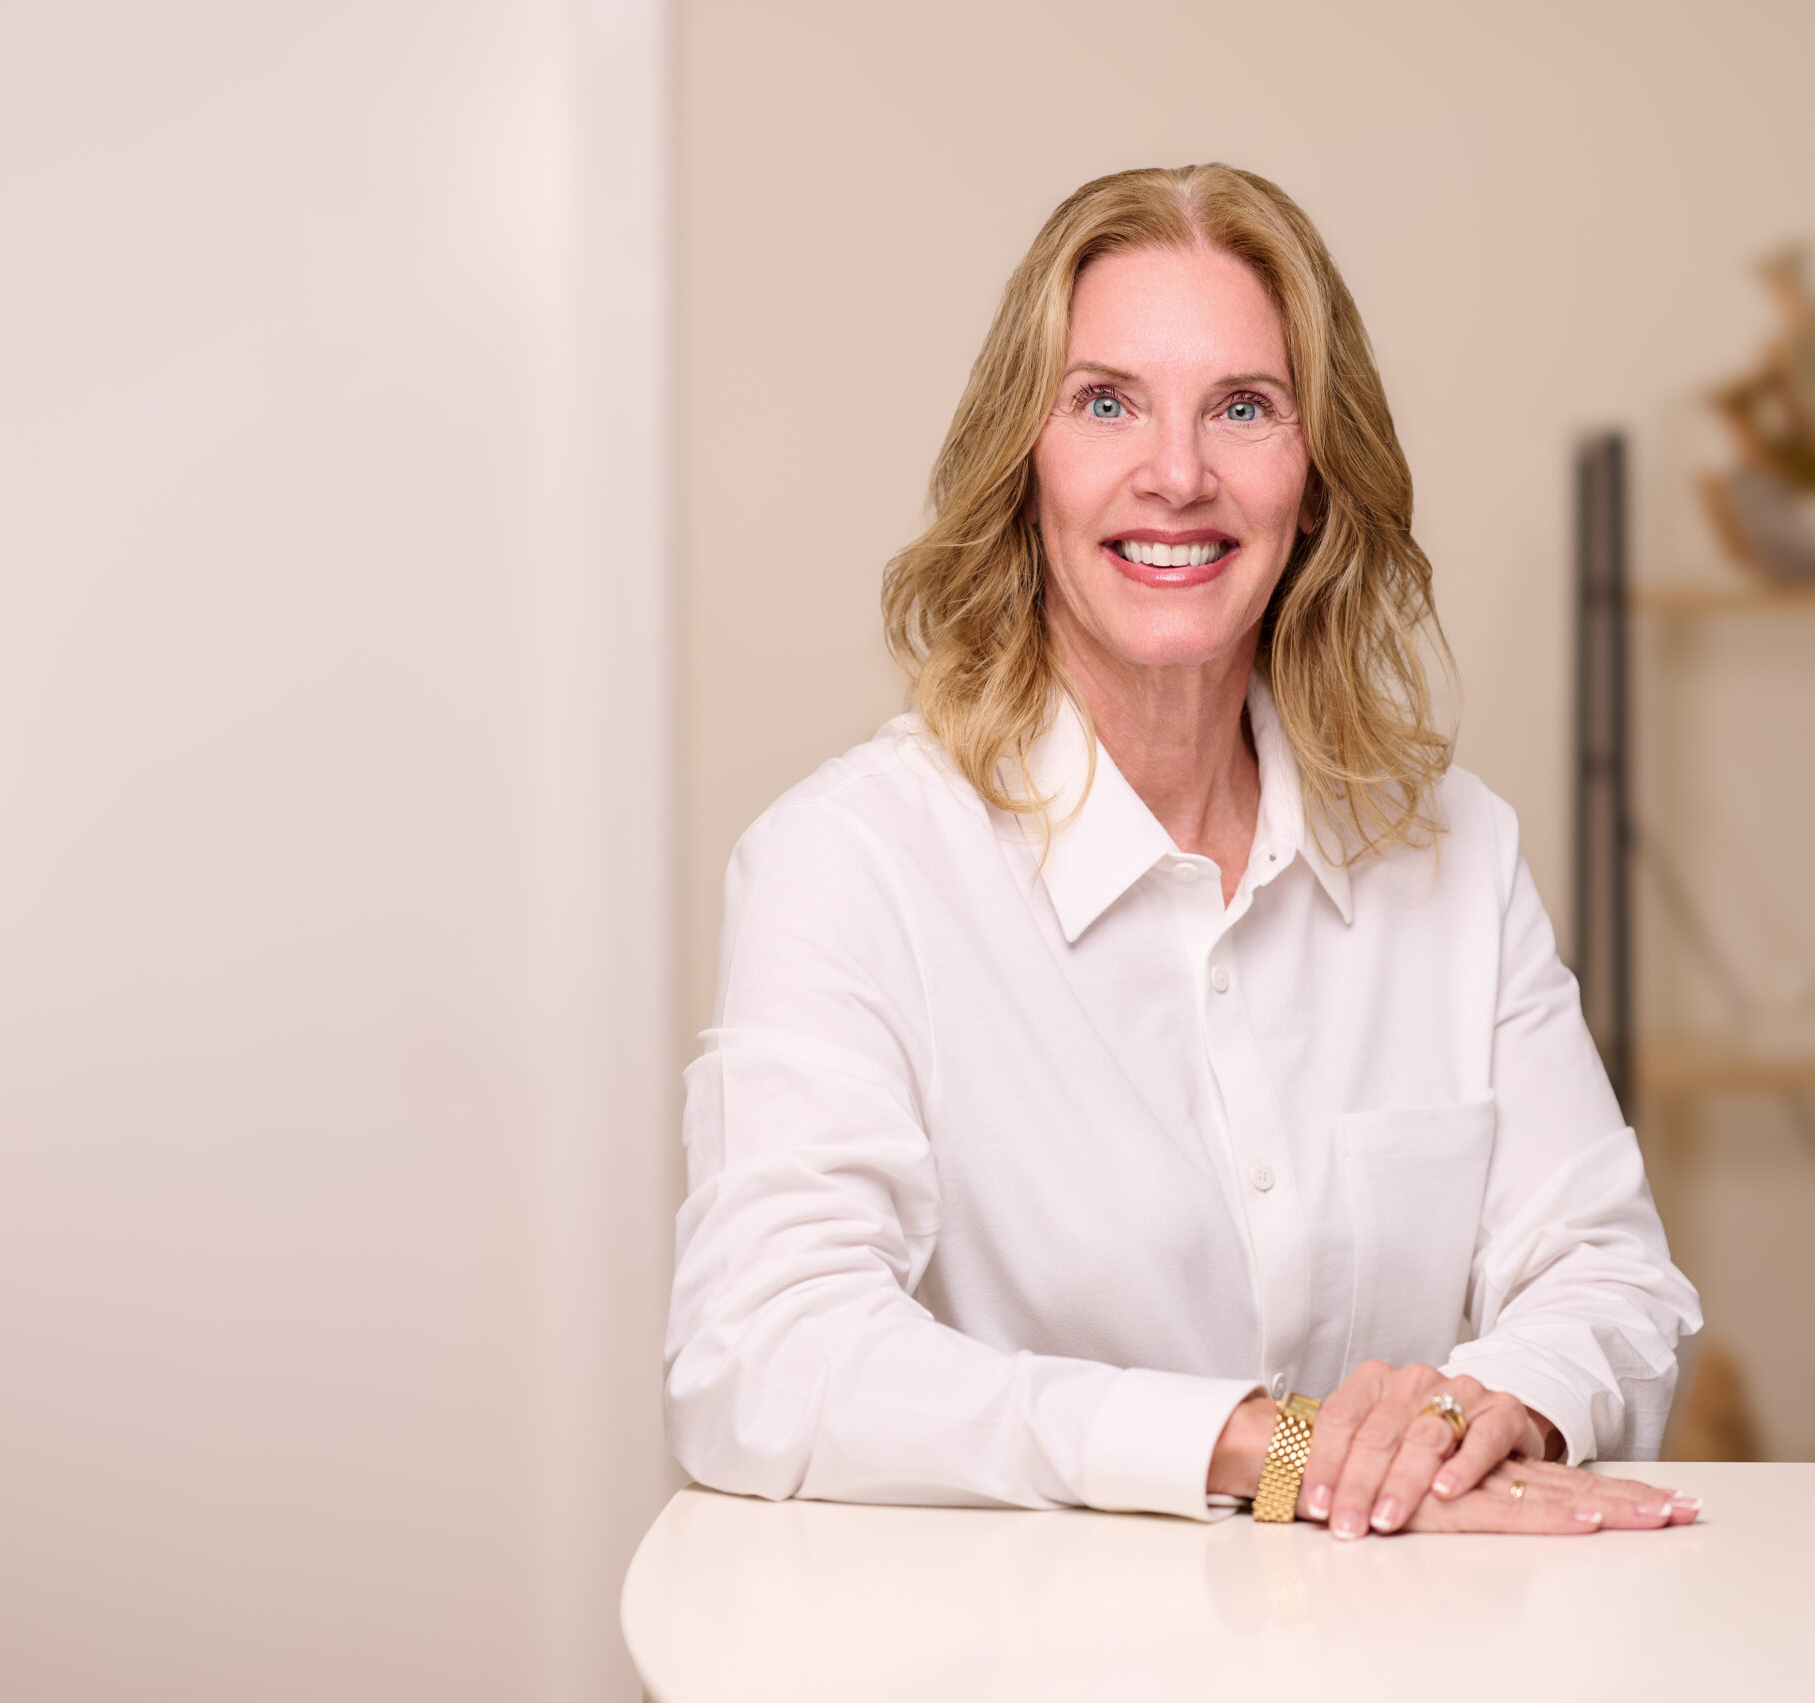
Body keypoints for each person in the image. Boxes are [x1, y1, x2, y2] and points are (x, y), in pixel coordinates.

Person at [664, 164, 1702, 1539]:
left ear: (1316, 482)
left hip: (1401, 1633)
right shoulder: (850, 863)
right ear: (1024, 467)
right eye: (1106, 403)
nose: (1176, 475)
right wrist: (1262, 1448)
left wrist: (1469, 1421)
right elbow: (763, 1356)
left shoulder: (1456, 850)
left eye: (1244, 408)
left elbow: (1612, 1281)